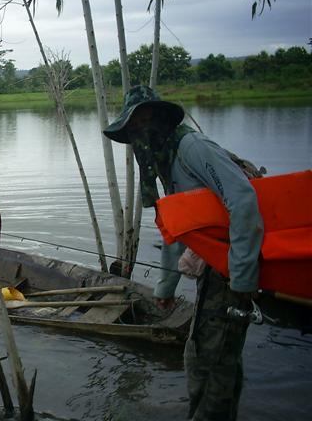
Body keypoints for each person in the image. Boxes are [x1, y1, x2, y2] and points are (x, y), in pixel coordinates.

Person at [103, 85, 264, 421]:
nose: (137, 136)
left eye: (141, 123)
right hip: (215, 266)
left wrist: (243, 275)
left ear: (160, 119)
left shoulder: (191, 148)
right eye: (132, 130)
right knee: (204, 355)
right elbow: (176, 226)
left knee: (212, 359)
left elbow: (244, 200)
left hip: (233, 267)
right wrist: (166, 286)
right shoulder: (166, 159)